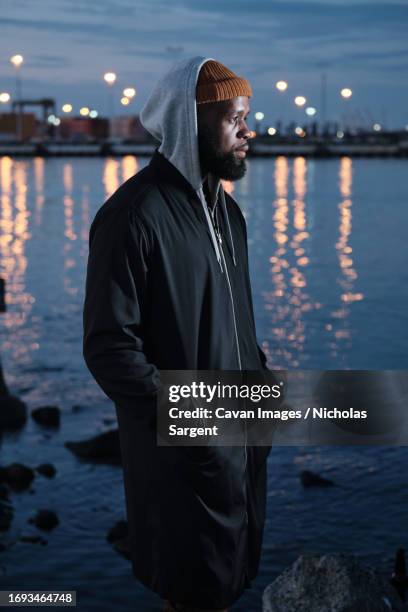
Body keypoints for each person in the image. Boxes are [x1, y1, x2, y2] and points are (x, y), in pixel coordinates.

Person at [83, 57, 271, 612]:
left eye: (247, 116)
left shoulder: (227, 215)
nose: (248, 131)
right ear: (191, 122)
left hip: (240, 447)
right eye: (234, 118)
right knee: (191, 592)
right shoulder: (133, 216)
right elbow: (109, 348)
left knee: (230, 583)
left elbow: (232, 323)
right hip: (184, 461)